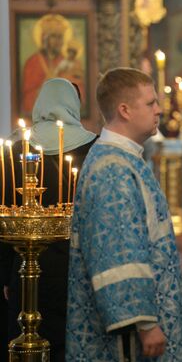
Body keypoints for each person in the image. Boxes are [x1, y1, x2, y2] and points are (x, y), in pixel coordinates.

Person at [65, 67, 182, 361]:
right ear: (124, 109)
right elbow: (116, 251)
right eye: (150, 103)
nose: (159, 110)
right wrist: (145, 324)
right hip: (129, 336)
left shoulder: (123, 159)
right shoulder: (112, 168)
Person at [0, 78, 98, 362]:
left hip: (24, 263)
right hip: (76, 263)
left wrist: (5, 272)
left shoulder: (17, 149)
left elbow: (5, 215)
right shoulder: (92, 147)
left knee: (25, 339)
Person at [21, 14, 70, 114]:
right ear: (44, 39)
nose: (58, 41)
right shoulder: (32, 62)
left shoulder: (68, 63)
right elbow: (27, 99)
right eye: (54, 37)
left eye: (60, 37)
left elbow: (79, 95)